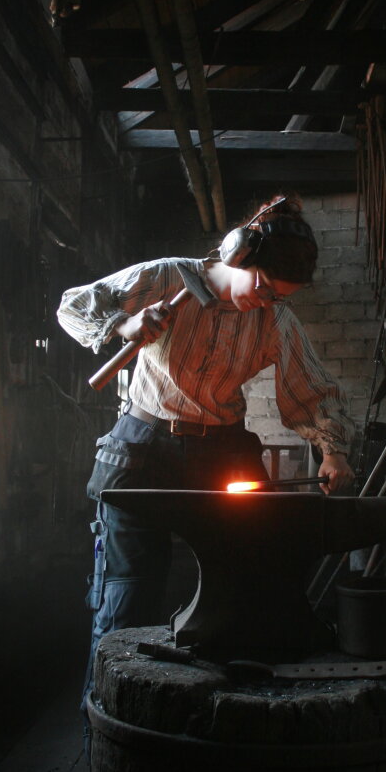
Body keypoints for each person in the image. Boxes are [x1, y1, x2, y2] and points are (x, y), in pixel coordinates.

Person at [56, 193, 354, 706]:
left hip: (221, 451)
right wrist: (123, 326)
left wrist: (333, 450)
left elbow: (310, 389)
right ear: (238, 257)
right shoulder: (167, 278)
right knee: (127, 592)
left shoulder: (272, 318)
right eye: (262, 285)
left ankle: (220, 710)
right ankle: (108, 718)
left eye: (278, 296)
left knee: (242, 583)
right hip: (144, 445)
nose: (265, 300)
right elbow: (75, 305)